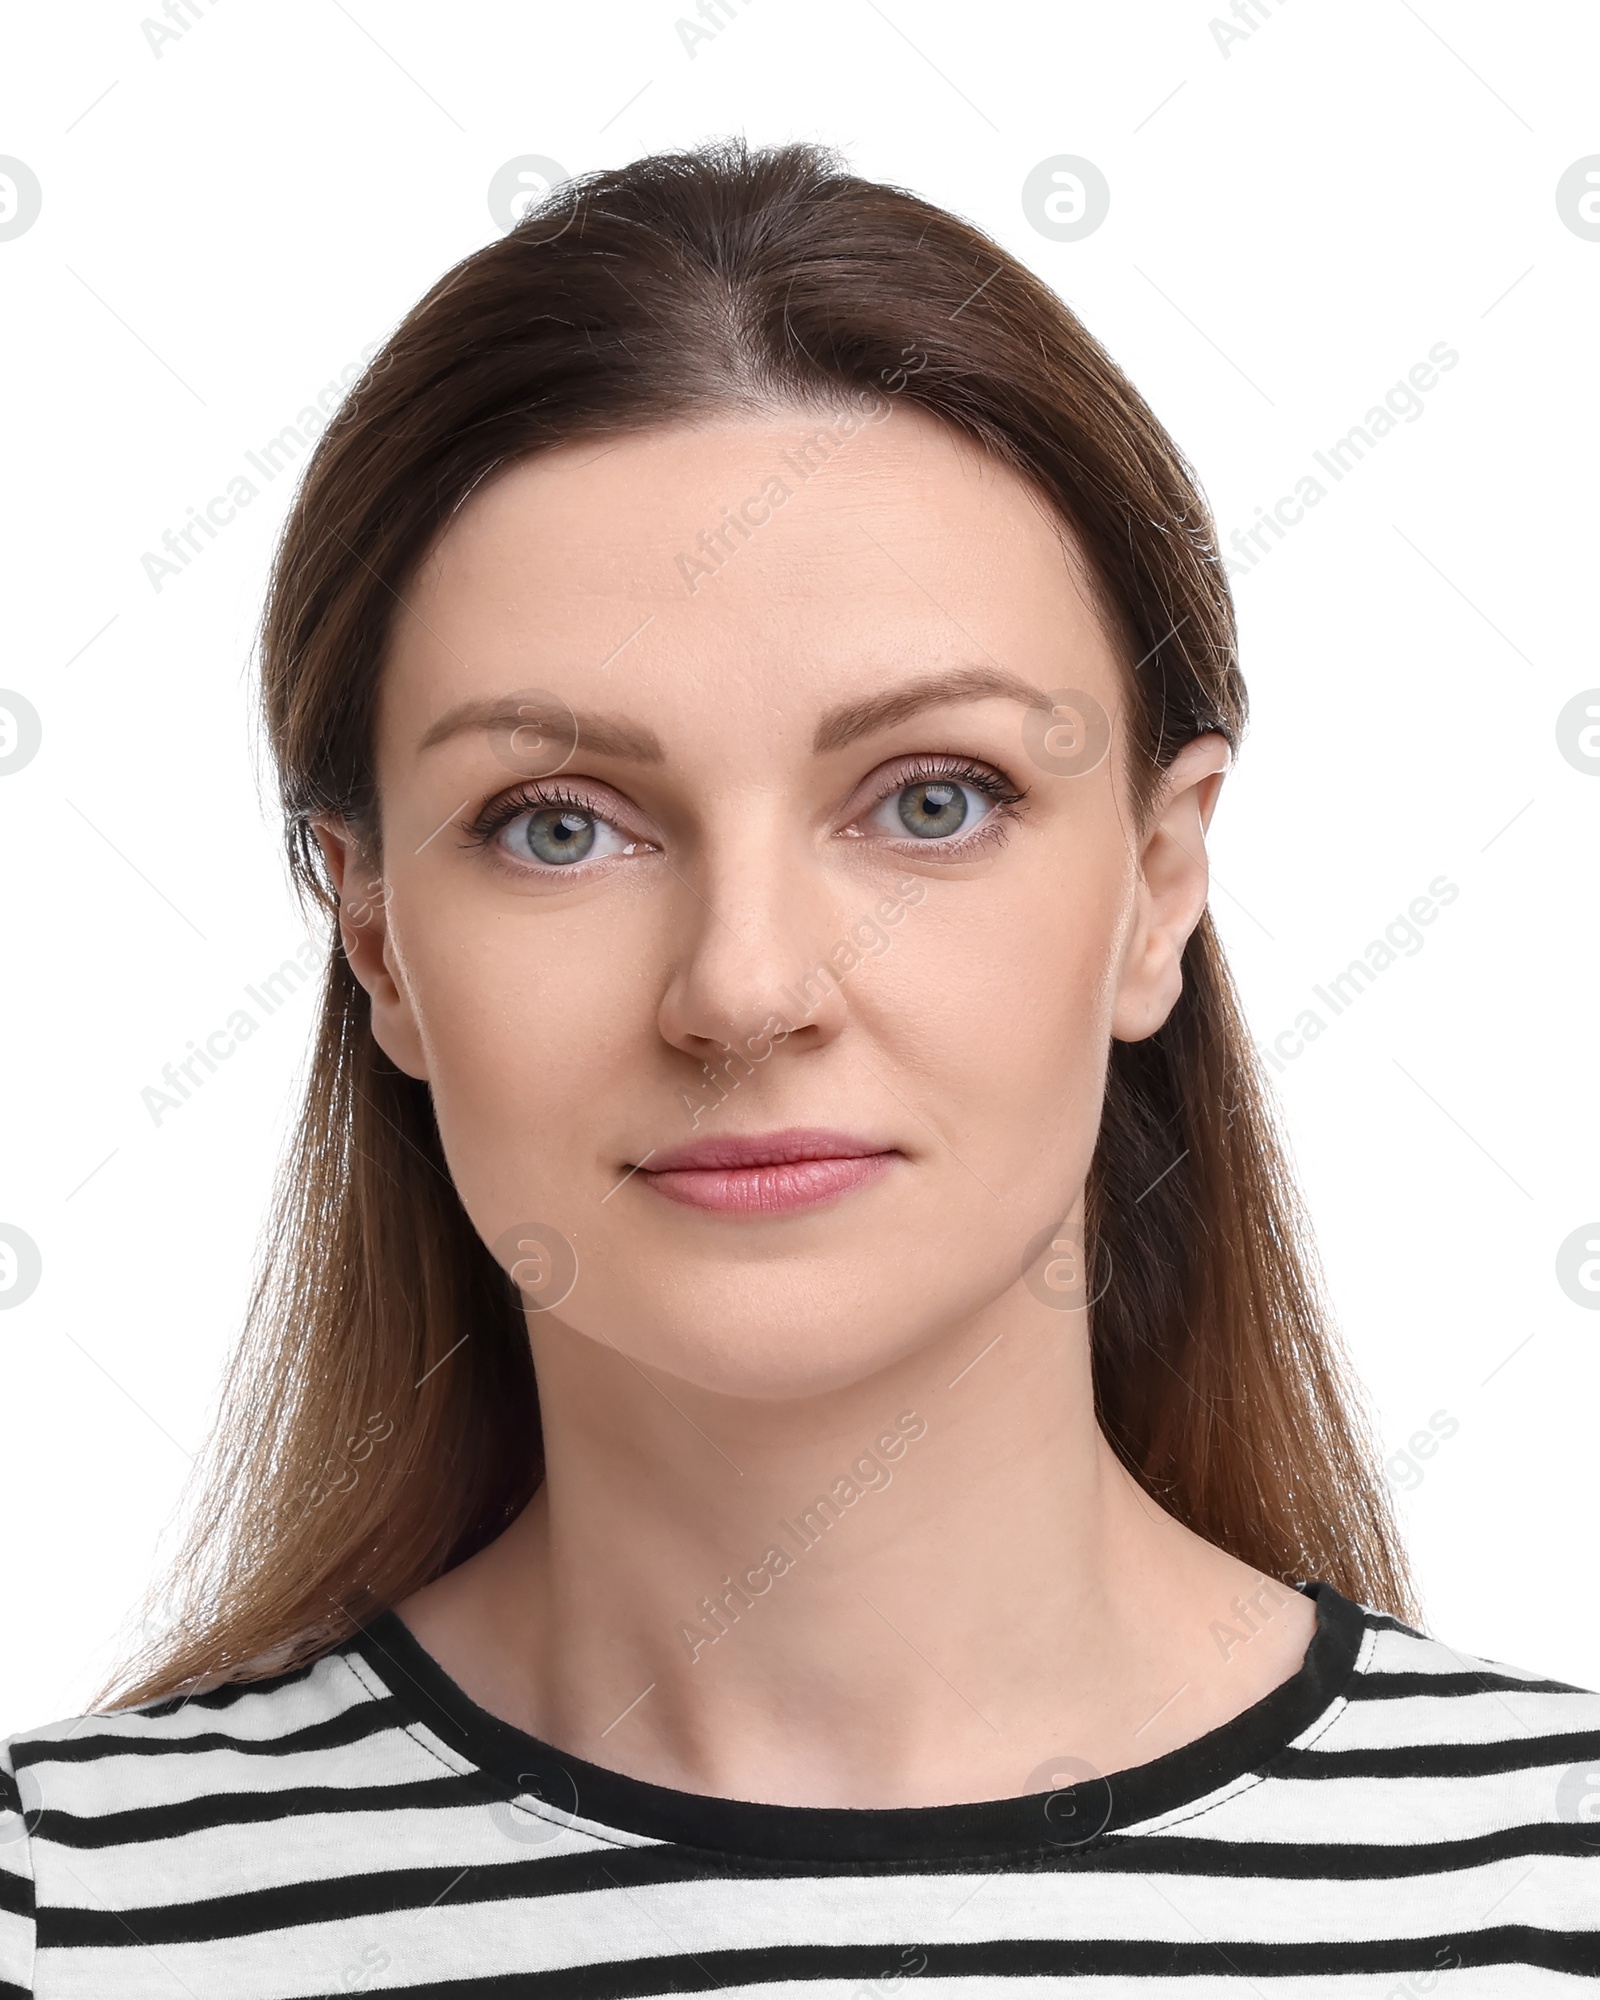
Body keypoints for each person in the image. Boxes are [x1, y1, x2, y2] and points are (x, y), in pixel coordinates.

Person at [2, 137, 1595, 1996]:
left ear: (1160, 888)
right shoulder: (75, 1920)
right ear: (375, 939)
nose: (744, 991)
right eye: (558, 825)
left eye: (933, 800)